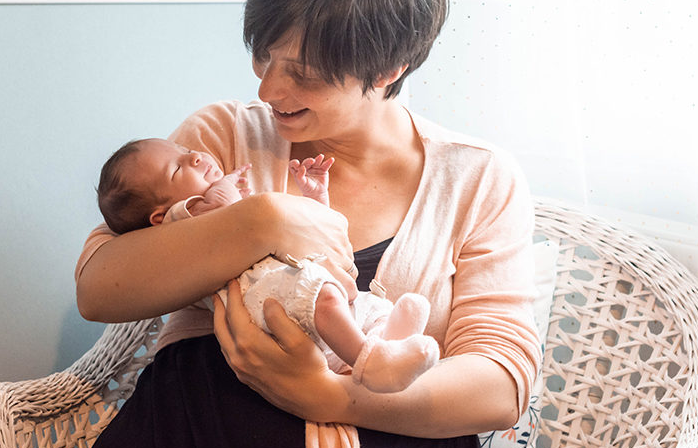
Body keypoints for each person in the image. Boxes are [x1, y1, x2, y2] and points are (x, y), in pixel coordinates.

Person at [75, 0, 540, 448]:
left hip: (397, 445)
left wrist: (330, 396)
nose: (269, 90)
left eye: (306, 75)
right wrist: (263, 219)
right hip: (198, 437)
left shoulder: (478, 181)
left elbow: (500, 384)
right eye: (263, 57)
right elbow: (100, 288)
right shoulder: (222, 138)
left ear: (390, 69)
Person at [95, 138, 441, 393]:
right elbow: (232, 213)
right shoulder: (180, 218)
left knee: (364, 304)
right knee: (326, 299)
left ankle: (385, 340)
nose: (196, 156)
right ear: (157, 216)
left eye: (186, 151)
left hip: (287, 283)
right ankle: (370, 361)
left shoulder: (220, 202)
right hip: (263, 298)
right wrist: (226, 185)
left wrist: (316, 198)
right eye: (179, 166)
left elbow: (315, 232)